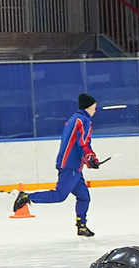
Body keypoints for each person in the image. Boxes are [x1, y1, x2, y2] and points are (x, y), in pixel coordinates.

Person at [12, 92, 100, 237]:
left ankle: (81, 225)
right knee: (59, 195)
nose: (95, 111)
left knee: (84, 196)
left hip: (73, 166)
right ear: (88, 107)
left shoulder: (73, 119)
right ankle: (27, 197)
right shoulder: (83, 120)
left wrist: (88, 161)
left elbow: (75, 143)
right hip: (70, 165)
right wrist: (90, 156)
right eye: (94, 108)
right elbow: (83, 142)